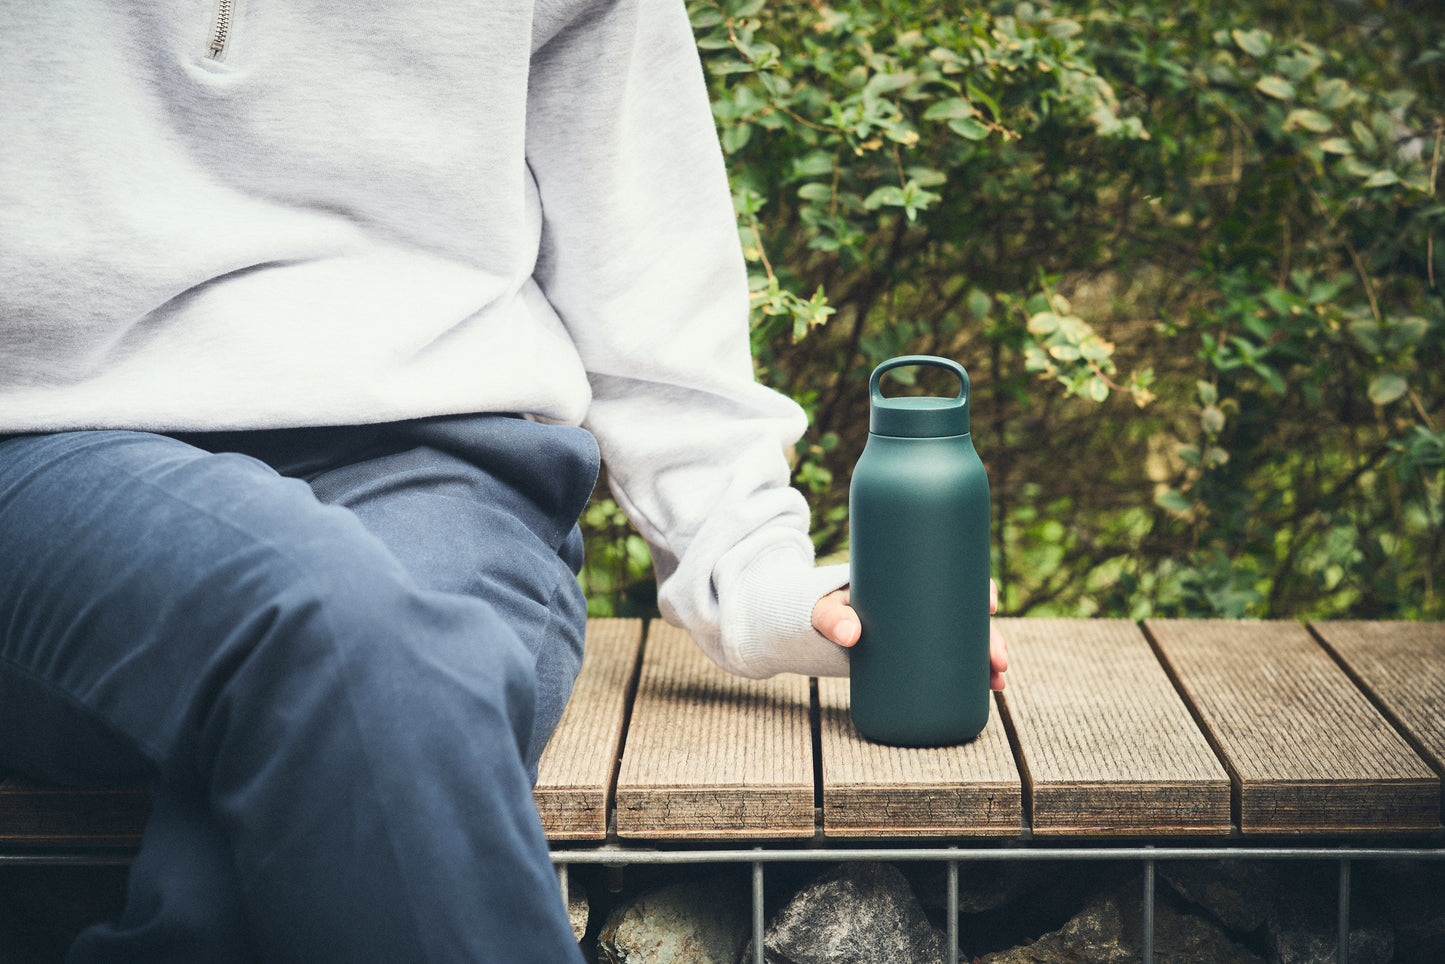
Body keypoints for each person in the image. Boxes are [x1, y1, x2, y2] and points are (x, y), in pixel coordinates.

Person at [0, 1, 1006, 960]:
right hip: (54, 459)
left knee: (289, 809)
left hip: (443, 472)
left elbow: (643, 273)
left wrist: (757, 572)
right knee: (330, 621)